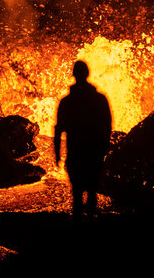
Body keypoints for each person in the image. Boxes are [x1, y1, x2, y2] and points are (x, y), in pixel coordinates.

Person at [54, 60, 112, 221]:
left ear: (74, 75)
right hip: (94, 154)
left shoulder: (67, 102)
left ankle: (79, 227)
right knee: (92, 190)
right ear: (87, 74)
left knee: (77, 193)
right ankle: (91, 222)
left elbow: (59, 130)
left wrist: (57, 154)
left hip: (76, 154)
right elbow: (107, 127)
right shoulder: (100, 99)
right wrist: (105, 150)